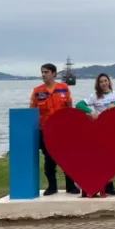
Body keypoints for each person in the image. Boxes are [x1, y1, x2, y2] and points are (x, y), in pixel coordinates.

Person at [28, 63, 80, 196]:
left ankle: (71, 186)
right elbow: (32, 112)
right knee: (49, 160)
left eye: (46, 72)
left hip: (63, 131)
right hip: (46, 131)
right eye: (42, 72)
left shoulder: (64, 88)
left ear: (54, 73)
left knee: (68, 158)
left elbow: (69, 108)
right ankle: (52, 187)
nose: (43, 74)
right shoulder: (37, 91)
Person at [75, 73, 115, 196]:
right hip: (101, 132)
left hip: (114, 130)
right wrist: (90, 112)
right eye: (101, 82)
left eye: (105, 81)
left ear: (109, 82)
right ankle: (100, 185)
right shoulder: (94, 96)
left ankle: (109, 186)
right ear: (98, 84)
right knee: (102, 159)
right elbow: (79, 105)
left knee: (112, 159)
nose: (104, 83)